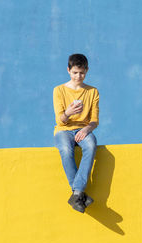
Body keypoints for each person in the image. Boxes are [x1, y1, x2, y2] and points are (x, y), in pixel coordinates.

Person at [53, 53, 99, 213]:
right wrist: (69, 112)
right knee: (66, 150)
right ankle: (79, 194)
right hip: (64, 130)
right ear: (68, 71)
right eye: (75, 72)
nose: (78, 76)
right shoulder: (58, 90)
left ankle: (77, 193)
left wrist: (87, 129)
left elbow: (94, 120)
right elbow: (60, 120)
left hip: (83, 129)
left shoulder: (93, 92)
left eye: (81, 72)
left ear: (86, 71)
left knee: (91, 145)